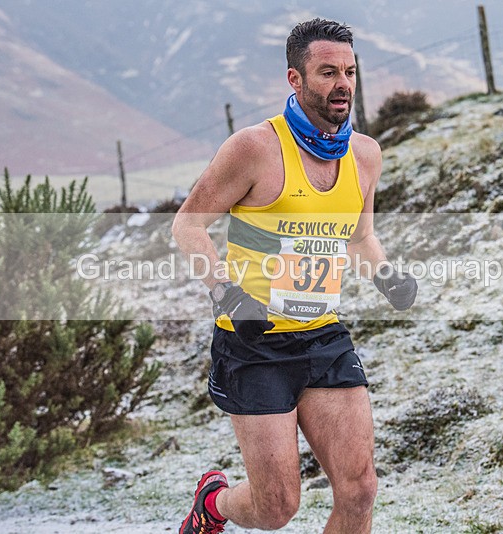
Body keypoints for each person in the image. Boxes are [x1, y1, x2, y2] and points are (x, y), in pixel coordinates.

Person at [172, 18, 417, 534]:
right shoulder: (255, 148)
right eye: (327, 72)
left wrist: (387, 276)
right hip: (254, 343)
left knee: (360, 490)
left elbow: (359, 237)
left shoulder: (364, 154)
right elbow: (188, 226)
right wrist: (226, 294)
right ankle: (212, 505)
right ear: (295, 79)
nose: (343, 83)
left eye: (349, 71)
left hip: (323, 336)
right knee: (276, 507)